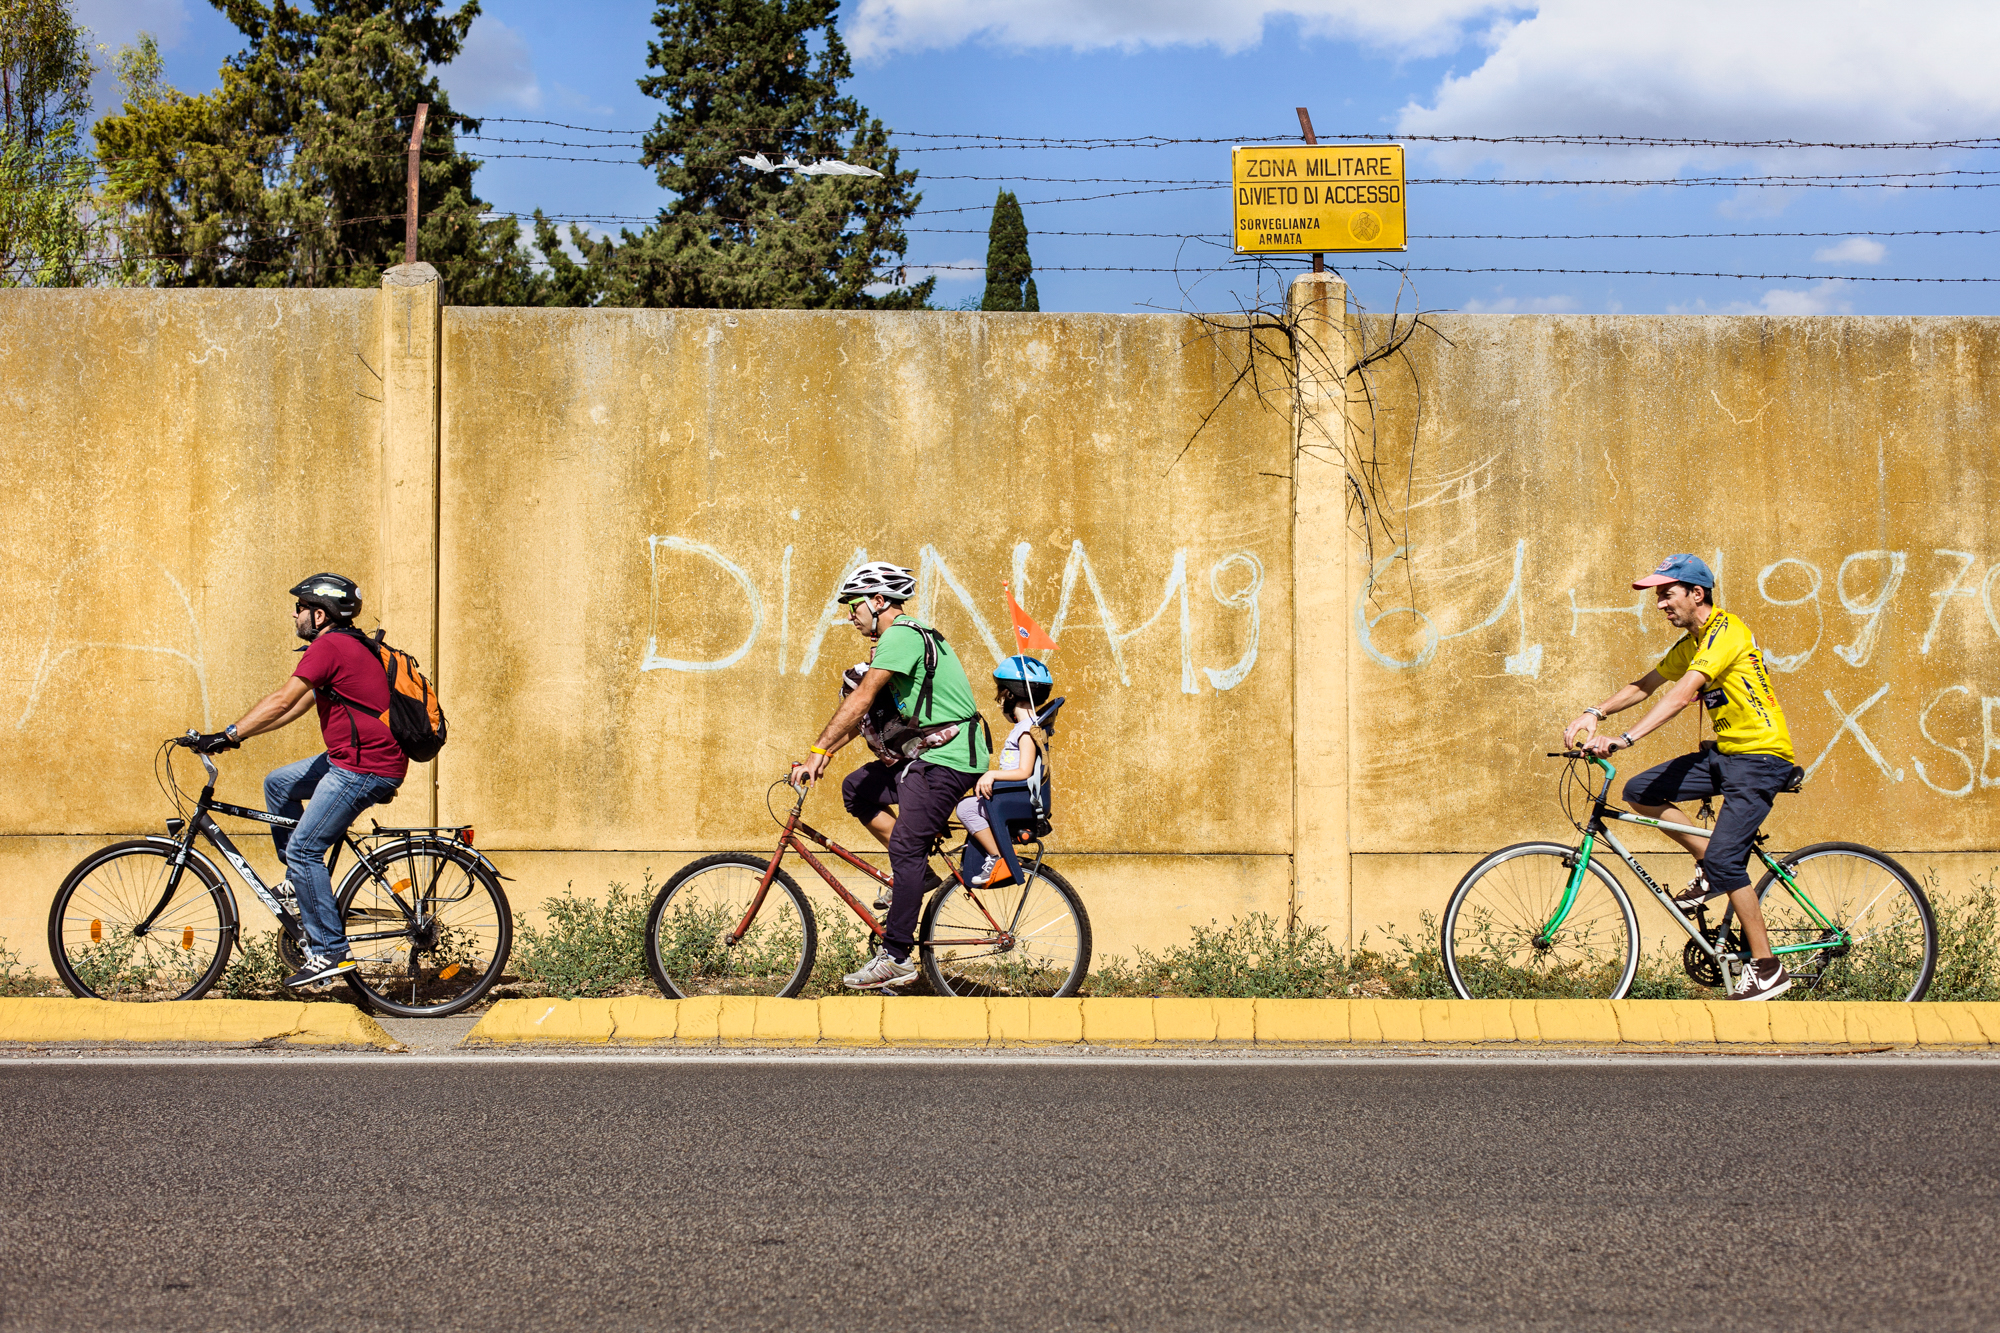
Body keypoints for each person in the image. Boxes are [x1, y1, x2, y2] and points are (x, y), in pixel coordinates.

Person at [1562, 554, 1797, 1001]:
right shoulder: (1693, 641)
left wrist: (1624, 739)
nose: (1659, 604)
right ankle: (1712, 867)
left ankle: (1767, 969)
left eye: (1666, 594)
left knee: (1730, 863)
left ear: (1696, 593)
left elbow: (1682, 693)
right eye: (1657, 596)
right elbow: (1648, 683)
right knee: (1641, 790)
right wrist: (1595, 713)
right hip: (1726, 756)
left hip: (1761, 759)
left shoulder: (1728, 631)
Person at [188, 574, 405, 989]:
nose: (294, 613)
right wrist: (241, 738)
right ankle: (298, 884)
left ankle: (329, 952)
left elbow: (282, 699)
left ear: (319, 614)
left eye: (300, 607)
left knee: (306, 849)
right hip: (354, 759)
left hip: (363, 767)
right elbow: (297, 707)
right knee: (279, 784)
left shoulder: (329, 645)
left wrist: (228, 733)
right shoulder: (348, 645)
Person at [795, 562, 990, 990]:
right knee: (858, 788)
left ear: (879, 601)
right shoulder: (902, 638)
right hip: (929, 755)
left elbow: (862, 698)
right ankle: (915, 876)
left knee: (906, 845)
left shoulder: (900, 635)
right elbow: (870, 717)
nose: (850, 612)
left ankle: (897, 956)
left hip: (949, 758)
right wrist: (825, 753)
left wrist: (816, 751)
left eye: (854, 603)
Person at [954, 656, 1053, 888]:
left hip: (1018, 798)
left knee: (966, 808)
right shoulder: (1027, 726)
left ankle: (998, 858)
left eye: (1000, 694)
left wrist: (992, 775)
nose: (999, 702)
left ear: (1010, 695)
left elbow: (1024, 771)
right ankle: (988, 859)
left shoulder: (1028, 730)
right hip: (1012, 796)